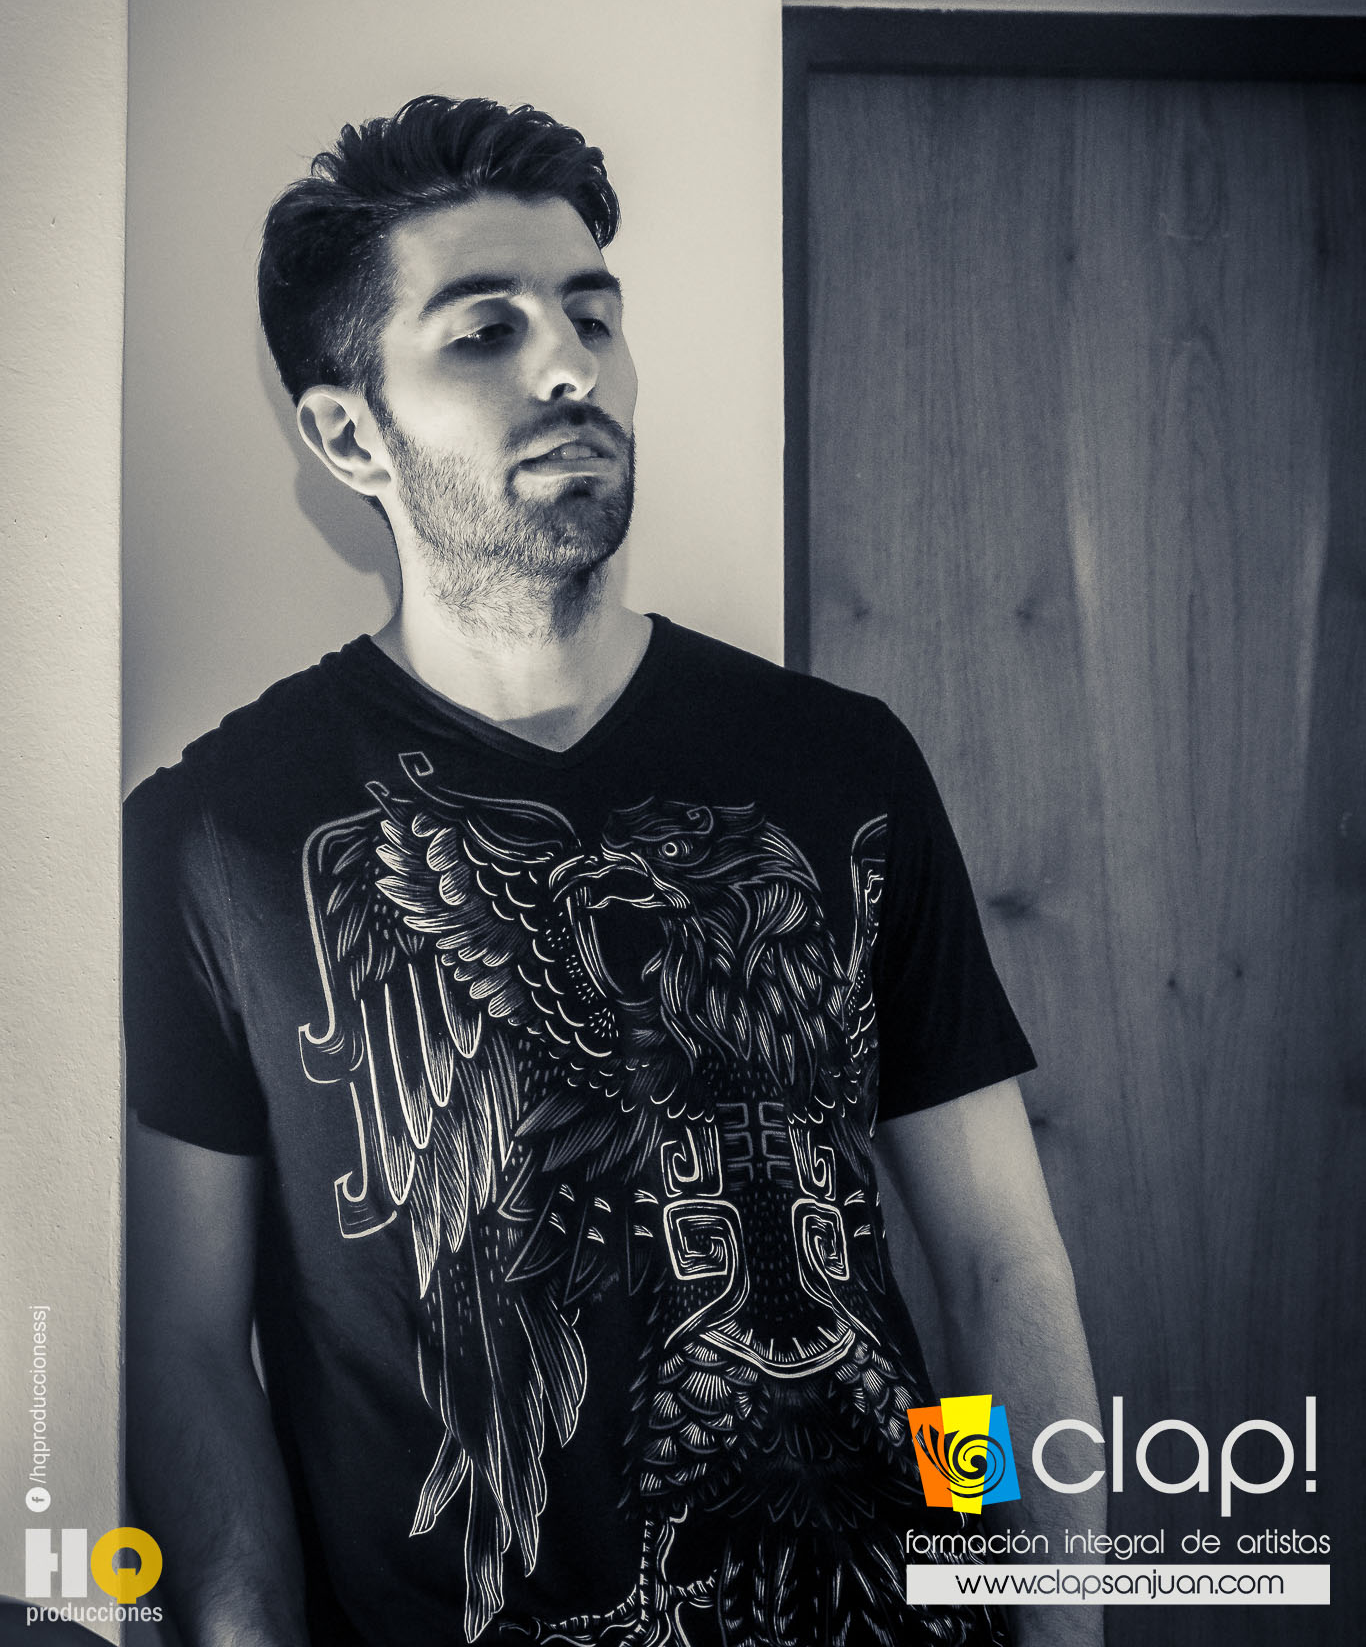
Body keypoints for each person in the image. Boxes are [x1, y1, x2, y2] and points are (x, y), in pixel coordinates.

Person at [124, 95, 1103, 1647]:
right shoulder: (222, 835)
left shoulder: (837, 766)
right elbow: (185, 1349)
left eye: (591, 313)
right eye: (484, 331)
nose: (570, 365)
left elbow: (993, 1265)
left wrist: (1034, 1612)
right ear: (348, 435)